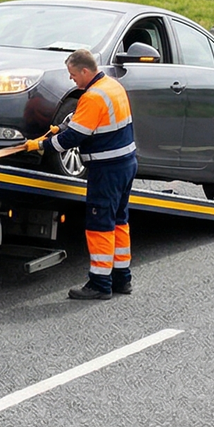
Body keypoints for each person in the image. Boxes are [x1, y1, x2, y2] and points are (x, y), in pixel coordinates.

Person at [25, 47, 134, 300]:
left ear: (85, 71)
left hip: (106, 169)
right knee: (119, 221)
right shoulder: (112, 86)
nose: (71, 79)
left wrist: (42, 145)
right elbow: (85, 121)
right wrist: (61, 127)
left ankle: (100, 284)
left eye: (73, 74)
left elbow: (74, 137)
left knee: (99, 225)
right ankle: (122, 279)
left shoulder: (93, 96)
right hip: (125, 163)